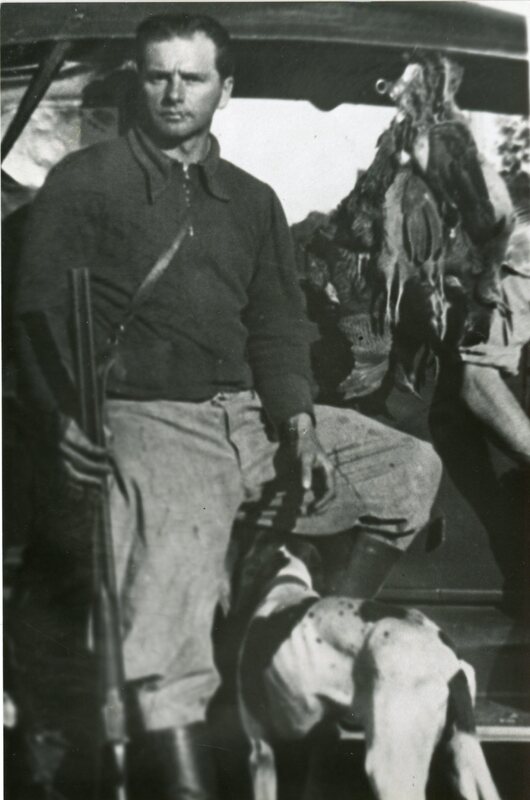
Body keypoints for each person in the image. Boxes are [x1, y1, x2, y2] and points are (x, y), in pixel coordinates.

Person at [13, 14, 442, 799]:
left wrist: (299, 424)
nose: (174, 93)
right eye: (158, 76)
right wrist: (61, 415)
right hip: (152, 416)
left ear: (225, 89)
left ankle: (291, 647)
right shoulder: (85, 182)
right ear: (138, 82)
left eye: (193, 78)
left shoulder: (251, 200)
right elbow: (38, 317)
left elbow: (278, 324)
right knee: (168, 615)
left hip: (248, 416)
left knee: (410, 470)